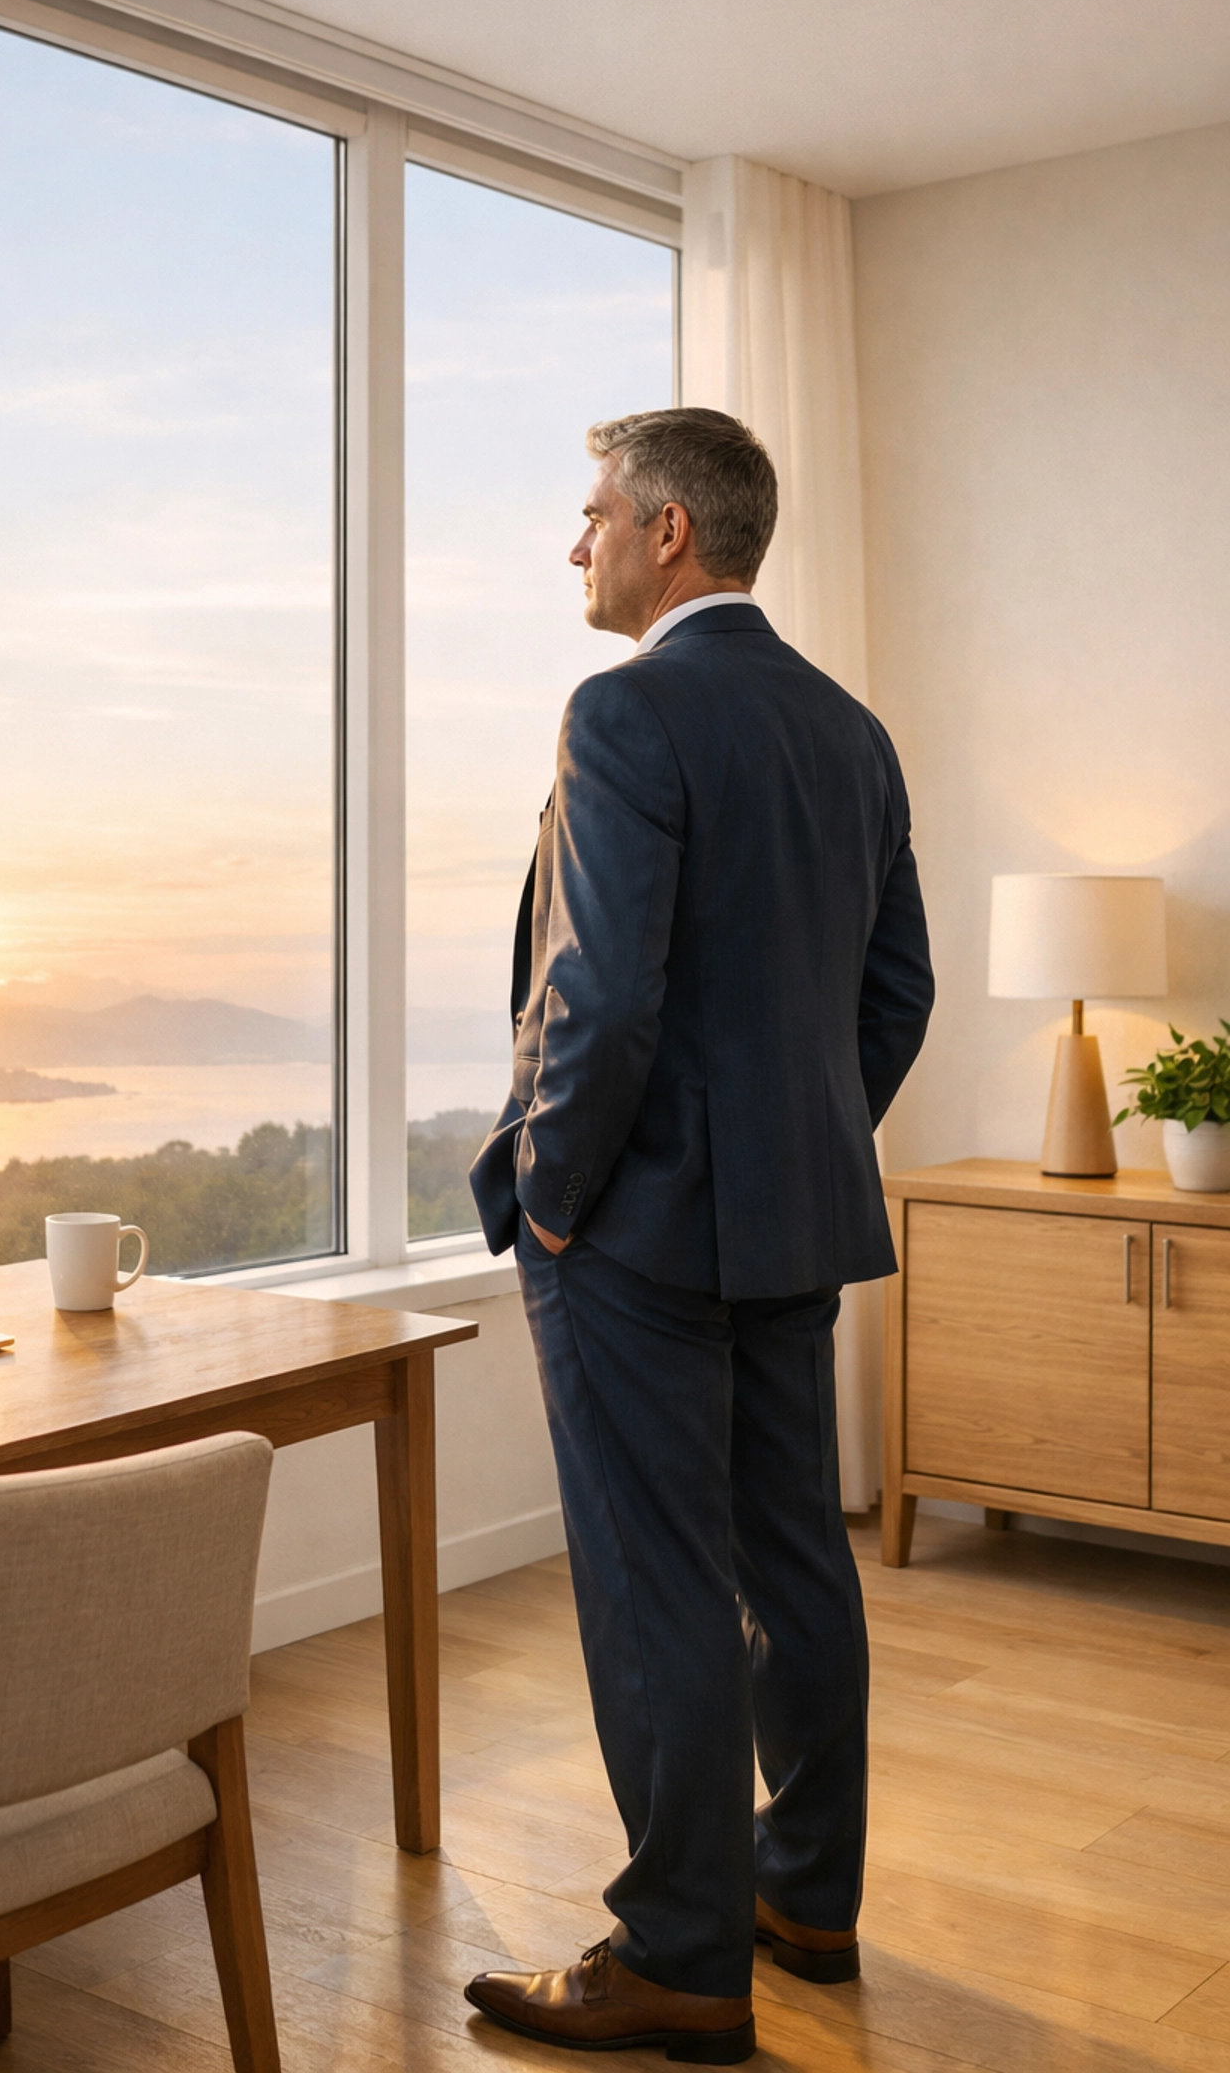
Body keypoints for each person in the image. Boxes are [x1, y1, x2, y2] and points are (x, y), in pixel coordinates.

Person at [463, 408, 934, 2067]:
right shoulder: (853, 732)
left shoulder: (625, 711)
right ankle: (806, 1903)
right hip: (791, 1224)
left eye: (592, 511)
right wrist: (801, 1140)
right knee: (791, 1561)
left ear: (671, 533)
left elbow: (597, 998)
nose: (573, 541)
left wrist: (556, 1199)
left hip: (637, 1239)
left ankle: (676, 1955)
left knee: (656, 1584)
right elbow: (898, 993)